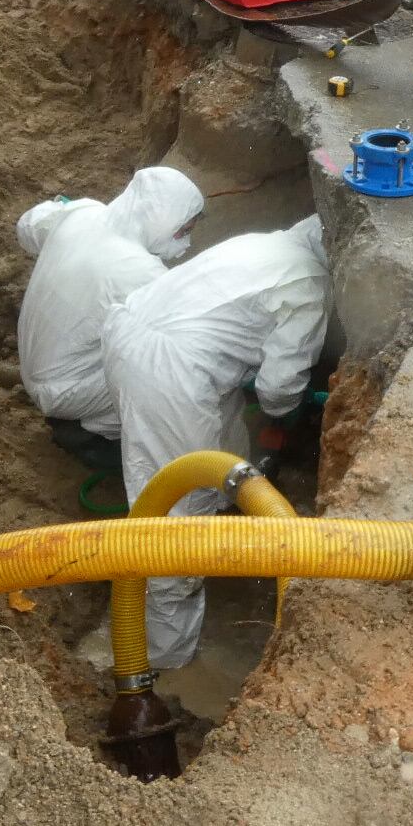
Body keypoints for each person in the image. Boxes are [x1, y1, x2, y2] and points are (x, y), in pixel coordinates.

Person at [103, 215, 329, 671]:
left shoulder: (263, 241)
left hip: (131, 331)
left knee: (226, 446)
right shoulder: (309, 286)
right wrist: (290, 416)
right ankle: (161, 658)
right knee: (177, 519)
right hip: (170, 371)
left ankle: (229, 529)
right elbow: (279, 388)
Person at [14, 167, 205, 463]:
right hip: (64, 392)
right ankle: (90, 433)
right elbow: (184, 341)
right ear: (162, 220)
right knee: (166, 376)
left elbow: (27, 227)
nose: (185, 243)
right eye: (182, 231)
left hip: (31, 364)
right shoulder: (143, 273)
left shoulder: (83, 212)